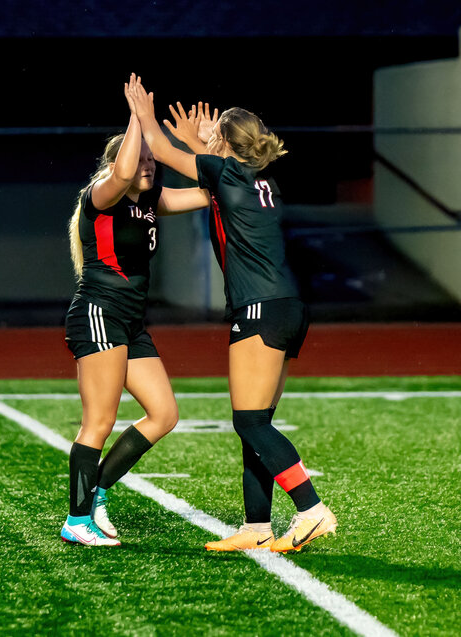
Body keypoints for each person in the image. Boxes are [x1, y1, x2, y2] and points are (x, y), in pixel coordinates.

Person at [127, 77, 337, 553]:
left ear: (226, 144)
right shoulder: (260, 178)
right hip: (287, 305)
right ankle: (256, 525)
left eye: (217, 136)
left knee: (250, 422)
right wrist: (206, 142)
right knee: (256, 420)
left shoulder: (227, 174)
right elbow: (216, 173)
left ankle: (311, 510)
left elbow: (158, 149)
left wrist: (143, 111)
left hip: (261, 308)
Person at [61, 75, 212, 547]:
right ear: (115, 163)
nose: (149, 166)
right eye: (143, 157)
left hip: (130, 322)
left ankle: (99, 492)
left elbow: (214, 192)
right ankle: (76, 519)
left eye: (153, 160)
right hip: (98, 314)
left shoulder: (151, 202)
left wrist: (208, 150)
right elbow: (123, 173)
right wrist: (138, 119)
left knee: (164, 413)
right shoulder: (102, 197)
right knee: (99, 423)